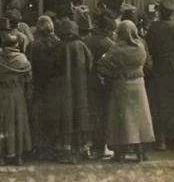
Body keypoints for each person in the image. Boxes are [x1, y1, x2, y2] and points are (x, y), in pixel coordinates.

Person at [97, 21, 155, 163]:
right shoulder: (141, 48)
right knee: (140, 120)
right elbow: (148, 65)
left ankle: (120, 153)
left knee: (121, 121)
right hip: (139, 85)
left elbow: (102, 66)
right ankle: (141, 152)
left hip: (121, 85)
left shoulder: (116, 49)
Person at [145, 0, 174, 151]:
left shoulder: (154, 28)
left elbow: (148, 48)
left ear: (161, 12)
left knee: (159, 103)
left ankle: (161, 139)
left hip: (158, 68)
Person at [0, 33, 32, 166]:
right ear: (16, 44)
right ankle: (18, 156)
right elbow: (28, 77)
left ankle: (1, 156)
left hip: (0, 94)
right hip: (17, 94)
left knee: (0, 124)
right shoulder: (22, 59)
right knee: (17, 123)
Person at [51, 18, 93, 164]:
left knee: (66, 117)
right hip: (80, 88)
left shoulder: (58, 46)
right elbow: (89, 64)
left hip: (63, 90)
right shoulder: (81, 46)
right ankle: (82, 149)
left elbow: (53, 67)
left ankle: (66, 151)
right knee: (80, 116)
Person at [82, 9, 116, 159]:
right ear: (107, 29)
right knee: (103, 115)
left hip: (88, 81)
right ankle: (101, 146)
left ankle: (89, 147)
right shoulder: (109, 44)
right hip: (104, 83)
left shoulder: (86, 41)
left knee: (90, 113)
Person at [27, 15, 59, 159]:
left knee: (38, 117)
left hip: (39, 84)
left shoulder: (34, 45)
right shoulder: (58, 43)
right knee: (53, 115)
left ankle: (40, 148)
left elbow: (29, 65)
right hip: (54, 85)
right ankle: (53, 147)